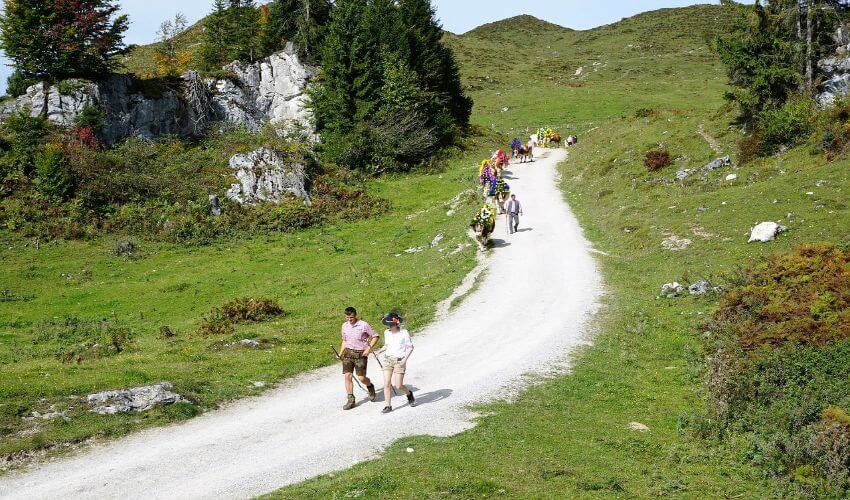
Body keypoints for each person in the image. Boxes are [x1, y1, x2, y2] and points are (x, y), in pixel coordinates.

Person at [375, 312, 415, 414]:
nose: (389, 327)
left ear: (396, 324)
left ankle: (409, 394)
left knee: (398, 386)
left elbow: (410, 347)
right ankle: (388, 405)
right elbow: (387, 345)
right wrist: (380, 351)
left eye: (390, 325)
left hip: (399, 360)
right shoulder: (387, 332)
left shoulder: (404, 332)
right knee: (386, 384)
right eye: (388, 325)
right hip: (388, 359)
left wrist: (404, 359)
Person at [339, 306, 378, 410]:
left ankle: (370, 386)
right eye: (347, 317)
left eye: (351, 317)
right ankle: (351, 400)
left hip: (361, 353)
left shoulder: (363, 325)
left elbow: (375, 336)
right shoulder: (344, 326)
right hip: (348, 353)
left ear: (355, 315)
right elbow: (344, 340)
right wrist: (340, 353)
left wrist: (368, 349)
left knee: (361, 377)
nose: (349, 320)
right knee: (347, 376)